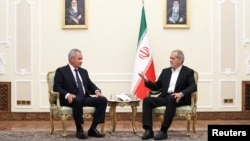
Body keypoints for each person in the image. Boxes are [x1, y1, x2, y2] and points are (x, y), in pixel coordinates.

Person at [138, 49, 197, 140]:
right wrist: (147, 81)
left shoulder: (188, 72)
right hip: (165, 97)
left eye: (172, 58)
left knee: (171, 98)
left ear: (180, 60)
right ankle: (149, 130)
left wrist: (181, 94)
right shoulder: (165, 71)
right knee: (147, 100)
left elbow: (193, 86)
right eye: (170, 58)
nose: (170, 60)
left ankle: (163, 131)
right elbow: (156, 87)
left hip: (178, 99)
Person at [53, 48, 107, 139]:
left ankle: (93, 129)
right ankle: (79, 129)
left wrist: (97, 91)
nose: (81, 61)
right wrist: (67, 95)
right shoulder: (61, 71)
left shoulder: (83, 71)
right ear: (71, 59)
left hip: (84, 98)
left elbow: (90, 84)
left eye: (81, 59)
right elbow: (56, 87)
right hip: (70, 99)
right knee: (77, 100)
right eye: (79, 59)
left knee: (102, 100)